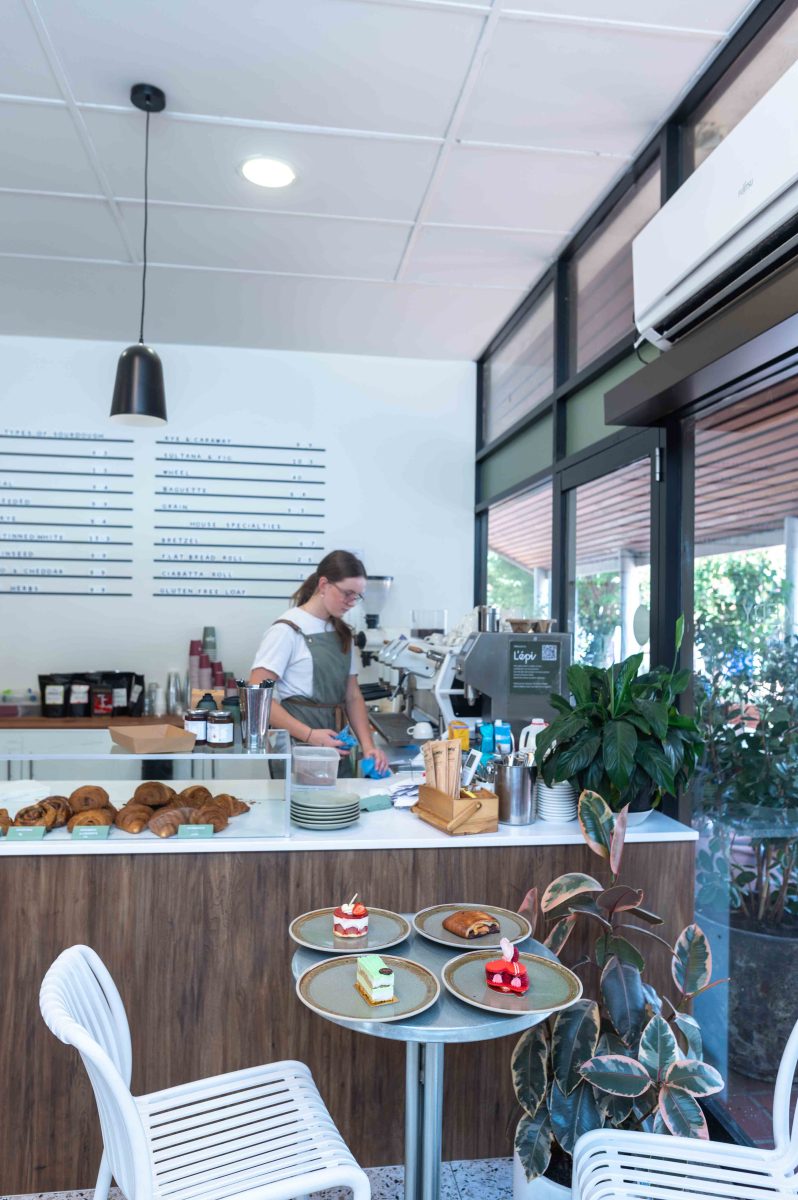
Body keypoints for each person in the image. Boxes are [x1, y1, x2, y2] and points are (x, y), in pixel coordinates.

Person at [249, 550, 389, 775]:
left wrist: (368, 746)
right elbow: (257, 698)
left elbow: (352, 696)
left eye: (357, 596)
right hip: (299, 746)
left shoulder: (341, 632)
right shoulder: (286, 630)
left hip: (337, 745)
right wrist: (310, 735)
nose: (352, 603)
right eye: (347, 594)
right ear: (324, 585)